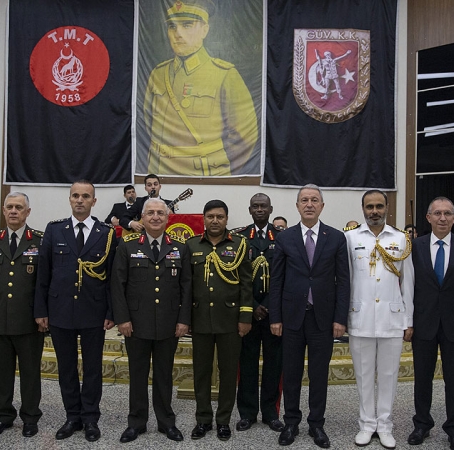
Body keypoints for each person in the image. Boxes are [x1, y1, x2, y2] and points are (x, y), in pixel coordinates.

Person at [33, 180, 117, 442]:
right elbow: (43, 274)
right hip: (60, 310)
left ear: (94, 201)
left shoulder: (106, 233)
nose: (80, 200)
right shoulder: (55, 229)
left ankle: (90, 418)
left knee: (92, 368)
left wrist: (111, 312)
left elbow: (113, 276)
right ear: (70, 199)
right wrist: (41, 310)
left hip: (94, 310)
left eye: (86, 196)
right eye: (75, 196)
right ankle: (72, 416)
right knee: (66, 367)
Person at [269, 184, 349, 449]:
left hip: (323, 319)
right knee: (290, 373)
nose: (309, 204)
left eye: (315, 200)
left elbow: (343, 281)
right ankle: (291, 422)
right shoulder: (285, 238)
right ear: (297, 206)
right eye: (304, 200)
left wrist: (340, 319)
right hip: (291, 319)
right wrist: (275, 318)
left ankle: (317, 424)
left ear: (322, 206)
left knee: (318, 375)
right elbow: (277, 281)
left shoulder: (336, 238)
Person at [142, 0, 258, 176]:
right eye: (172, 26)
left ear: (204, 29)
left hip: (205, 173)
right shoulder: (158, 74)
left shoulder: (224, 74)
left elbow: (244, 137)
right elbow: (149, 124)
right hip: (160, 172)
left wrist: (217, 167)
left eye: (187, 25)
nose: (178, 34)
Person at [111, 198, 191, 444]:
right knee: (137, 373)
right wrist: (122, 319)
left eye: (160, 213)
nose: (156, 217)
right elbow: (118, 285)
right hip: (136, 323)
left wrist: (183, 320)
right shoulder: (126, 245)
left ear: (168, 218)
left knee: (164, 374)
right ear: (142, 218)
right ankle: (136, 422)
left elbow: (187, 286)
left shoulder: (180, 247)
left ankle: (166, 422)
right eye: (151, 213)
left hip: (169, 323)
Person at [407, 196, 454, 450]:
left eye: (447, 213)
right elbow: (409, 287)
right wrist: (408, 322)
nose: (442, 218)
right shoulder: (414, 246)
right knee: (422, 378)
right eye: (437, 213)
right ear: (428, 218)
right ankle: (422, 424)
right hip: (423, 323)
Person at [0, 192, 45, 438]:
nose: (14, 211)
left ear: (27, 212)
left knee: (30, 372)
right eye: (9, 207)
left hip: (29, 321)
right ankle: (3, 416)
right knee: (0, 373)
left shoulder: (39, 241)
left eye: (19, 207)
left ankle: (30, 417)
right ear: (3, 211)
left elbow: (44, 284)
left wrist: (43, 315)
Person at [346, 190, 413, 448]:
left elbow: (408, 282)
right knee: (363, 376)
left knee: (388, 376)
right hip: (360, 317)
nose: (374, 211)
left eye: (379, 206)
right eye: (369, 206)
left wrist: (409, 319)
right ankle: (366, 424)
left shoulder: (400, 238)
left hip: (392, 317)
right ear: (363, 208)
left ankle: (384, 425)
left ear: (387, 208)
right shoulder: (350, 238)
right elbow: (346, 280)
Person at [186, 199, 253, 441]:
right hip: (200, 320)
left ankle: (223, 420)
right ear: (204, 218)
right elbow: (186, 286)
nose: (215, 221)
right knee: (201, 372)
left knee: (227, 373)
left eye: (220, 217)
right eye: (211, 216)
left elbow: (247, 284)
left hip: (230, 321)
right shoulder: (192, 245)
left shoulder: (240, 245)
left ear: (226, 219)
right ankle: (203, 419)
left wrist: (245, 317)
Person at [234, 193, 284, 433]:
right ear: (250, 209)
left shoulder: (283, 238)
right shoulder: (240, 237)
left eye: (264, 206)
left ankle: (271, 412)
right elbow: (235, 278)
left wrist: (272, 308)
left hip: (274, 314)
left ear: (271, 209)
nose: (260, 209)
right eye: (256, 206)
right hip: (249, 312)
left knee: (275, 364)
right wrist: (253, 306)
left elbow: (285, 278)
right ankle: (247, 413)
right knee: (247, 364)